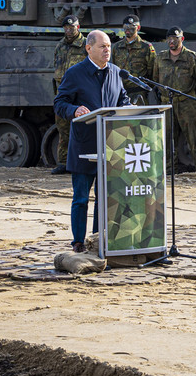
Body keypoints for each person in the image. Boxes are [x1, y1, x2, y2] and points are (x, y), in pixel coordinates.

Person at [53, 30, 131, 253]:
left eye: (109, 46)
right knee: (81, 198)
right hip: (84, 145)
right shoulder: (75, 73)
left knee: (104, 198)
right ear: (89, 48)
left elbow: (122, 99)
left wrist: (128, 109)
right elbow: (59, 103)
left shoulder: (116, 72)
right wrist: (74, 109)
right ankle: (78, 241)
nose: (108, 50)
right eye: (102, 46)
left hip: (110, 145)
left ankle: (98, 239)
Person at [154, 26, 196, 170]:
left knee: (195, 138)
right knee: (167, 139)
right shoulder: (160, 58)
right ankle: (170, 170)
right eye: (169, 39)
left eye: (175, 39)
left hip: (186, 103)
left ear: (181, 39)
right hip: (167, 103)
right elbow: (155, 79)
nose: (171, 41)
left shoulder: (191, 57)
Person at [51, 15, 88, 174]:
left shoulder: (86, 44)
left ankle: (82, 162)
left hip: (80, 93)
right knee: (63, 128)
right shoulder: (60, 46)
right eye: (66, 28)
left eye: (71, 28)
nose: (68, 30)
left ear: (78, 27)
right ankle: (64, 163)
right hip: (63, 92)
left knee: (83, 129)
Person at [111, 14, 156, 104]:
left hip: (139, 93)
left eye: (132, 27)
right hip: (121, 93)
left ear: (138, 28)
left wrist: (145, 88)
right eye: (125, 27)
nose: (128, 30)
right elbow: (114, 69)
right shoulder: (117, 47)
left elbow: (153, 71)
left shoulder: (146, 47)